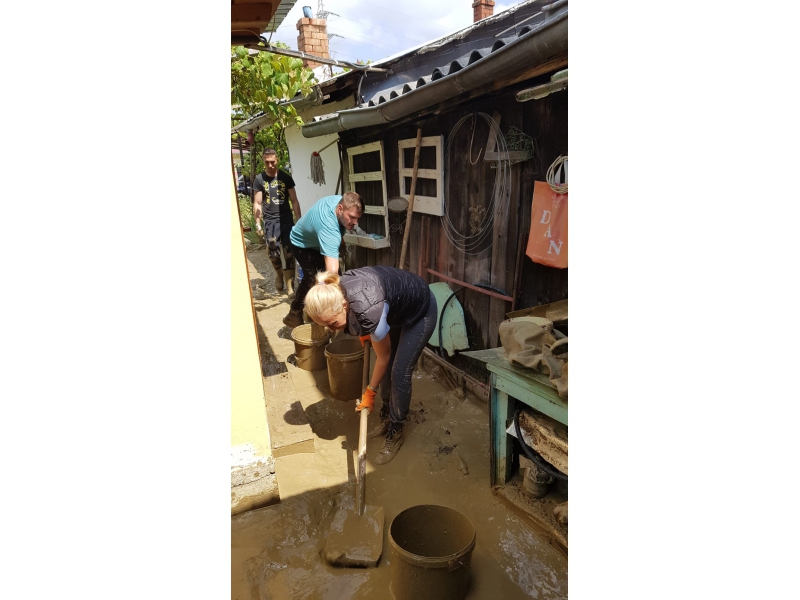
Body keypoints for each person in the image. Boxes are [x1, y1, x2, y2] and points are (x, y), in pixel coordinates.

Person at [303, 267, 437, 464]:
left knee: (399, 373)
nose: (330, 330)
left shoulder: (369, 313)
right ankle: (387, 417)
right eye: (325, 326)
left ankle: (395, 432)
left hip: (421, 311)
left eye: (332, 324)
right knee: (389, 367)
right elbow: (368, 319)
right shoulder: (336, 291)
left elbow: (383, 357)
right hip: (394, 308)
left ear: (344, 305)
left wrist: (370, 391)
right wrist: (365, 330)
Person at [282, 191, 363, 329]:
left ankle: (305, 313)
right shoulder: (329, 229)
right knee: (317, 282)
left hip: (317, 241)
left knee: (317, 279)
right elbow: (332, 275)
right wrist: (337, 303)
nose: (356, 223)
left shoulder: (342, 202)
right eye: (352, 217)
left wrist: (341, 241)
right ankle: (298, 314)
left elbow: (339, 226)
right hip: (301, 244)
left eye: (357, 218)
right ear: (340, 209)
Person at [253, 148, 301, 296]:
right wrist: (257, 223)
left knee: (289, 253)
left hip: (286, 220)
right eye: (267, 162)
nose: (270, 165)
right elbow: (257, 203)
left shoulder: (286, 178)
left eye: (272, 162)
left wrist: (299, 220)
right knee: (273, 253)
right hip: (270, 221)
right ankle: (279, 275)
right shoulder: (259, 179)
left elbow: (294, 200)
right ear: (263, 161)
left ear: (277, 160)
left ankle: (290, 285)